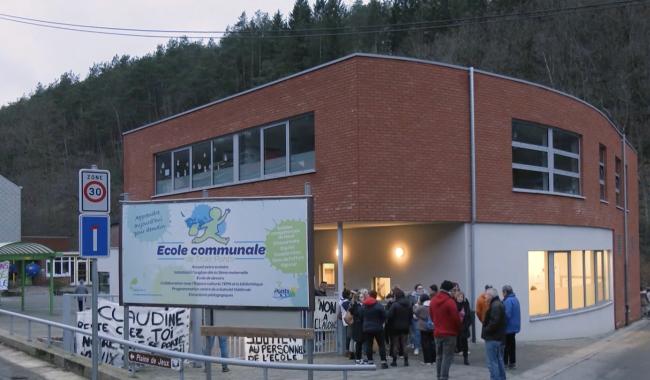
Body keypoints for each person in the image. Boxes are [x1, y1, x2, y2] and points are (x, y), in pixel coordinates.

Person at [430, 280, 462, 380]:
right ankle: (444, 377)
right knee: (447, 357)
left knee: (439, 356)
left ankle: (439, 376)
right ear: (449, 290)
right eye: (453, 290)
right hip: (450, 334)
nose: (454, 292)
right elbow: (456, 318)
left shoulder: (433, 300)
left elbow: (431, 316)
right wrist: (458, 329)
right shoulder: (450, 301)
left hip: (437, 333)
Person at [482, 287, 506, 380]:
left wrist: (486, 330)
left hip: (493, 338)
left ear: (491, 296)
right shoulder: (497, 304)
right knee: (498, 361)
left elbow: (494, 322)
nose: (485, 296)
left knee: (493, 363)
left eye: (486, 294)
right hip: (498, 338)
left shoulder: (495, 305)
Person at [362, 290, 389, 369]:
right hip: (378, 328)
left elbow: (361, 314)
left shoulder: (364, 305)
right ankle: (383, 362)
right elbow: (384, 315)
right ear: (376, 296)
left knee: (368, 345)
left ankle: (370, 361)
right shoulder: (379, 305)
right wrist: (382, 322)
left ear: (369, 295)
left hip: (367, 328)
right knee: (381, 345)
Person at [386, 288, 411, 367]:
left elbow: (389, 315)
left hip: (395, 327)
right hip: (406, 326)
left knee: (395, 344)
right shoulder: (409, 304)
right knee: (404, 344)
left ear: (396, 296)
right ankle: (406, 361)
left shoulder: (395, 305)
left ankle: (394, 361)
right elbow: (411, 316)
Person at [502, 285, 521, 370]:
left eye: (503, 292)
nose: (502, 294)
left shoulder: (508, 301)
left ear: (505, 292)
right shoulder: (515, 299)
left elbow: (507, 314)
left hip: (508, 328)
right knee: (512, 345)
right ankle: (512, 363)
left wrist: (502, 324)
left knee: (506, 346)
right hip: (514, 327)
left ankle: (505, 363)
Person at [414, 293, 435, 364]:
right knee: (432, 343)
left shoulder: (421, 307)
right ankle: (433, 360)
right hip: (432, 326)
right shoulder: (433, 306)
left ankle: (427, 361)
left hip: (423, 327)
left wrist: (417, 305)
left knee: (425, 344)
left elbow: (415, 313)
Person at [350, 289, 367, 364]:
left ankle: (362, 358)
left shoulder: (366, 305)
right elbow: (353, 313)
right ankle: (358, 359)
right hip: (358, 326)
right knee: (358, 343)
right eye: (360, 297)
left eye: (363, 297)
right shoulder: (356, 306)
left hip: (365, 326)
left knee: (364, 343)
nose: (362, 298)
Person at [455, 290, 471, 365]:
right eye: (459, 296)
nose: (460, 298)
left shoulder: (466, 304)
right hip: (456, 327)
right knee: (455, 342)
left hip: (464, 327)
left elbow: (469, 316)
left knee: (465, 343)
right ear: (456, 297)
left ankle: (466, 358)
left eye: (462, 296)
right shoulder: (454, 304)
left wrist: (466, 325)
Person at [409, 283, 425, 355]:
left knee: (422, 333)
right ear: (416, 289)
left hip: (423, 317)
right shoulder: (412, 297)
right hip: (415, 317)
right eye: (419, 288)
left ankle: (420, 346)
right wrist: (412, 314)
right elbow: (409, 306)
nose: (420, 289)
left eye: (421, 288)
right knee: (416, 333)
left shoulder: (425, 296)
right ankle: (416, 347)